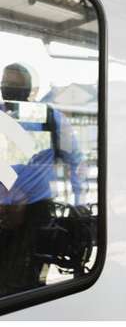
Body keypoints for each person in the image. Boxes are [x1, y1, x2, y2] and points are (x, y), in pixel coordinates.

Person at [0, 62, 84, 296]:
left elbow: (75, 160)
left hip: (36, 212)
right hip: (2, 210)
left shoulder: (49, 118)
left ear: (28, 90)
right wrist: (9, 194)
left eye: (15, 85)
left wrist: (79, 204)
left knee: (28, 283)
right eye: (5, 84)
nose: (9, 89)